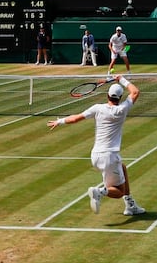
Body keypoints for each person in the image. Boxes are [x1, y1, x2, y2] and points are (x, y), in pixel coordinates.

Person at [46, 74, 145, 216]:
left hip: (95, 156)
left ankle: (130, 205)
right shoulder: (122, 109)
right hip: (109, 157)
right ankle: (99, 191)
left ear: (107, 96)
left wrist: (59, 121)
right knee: (119, 191)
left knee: (122, 168)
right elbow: (135, 92)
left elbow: (75, 119)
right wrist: (122, 79)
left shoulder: (97, 108)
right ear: (120, 98)